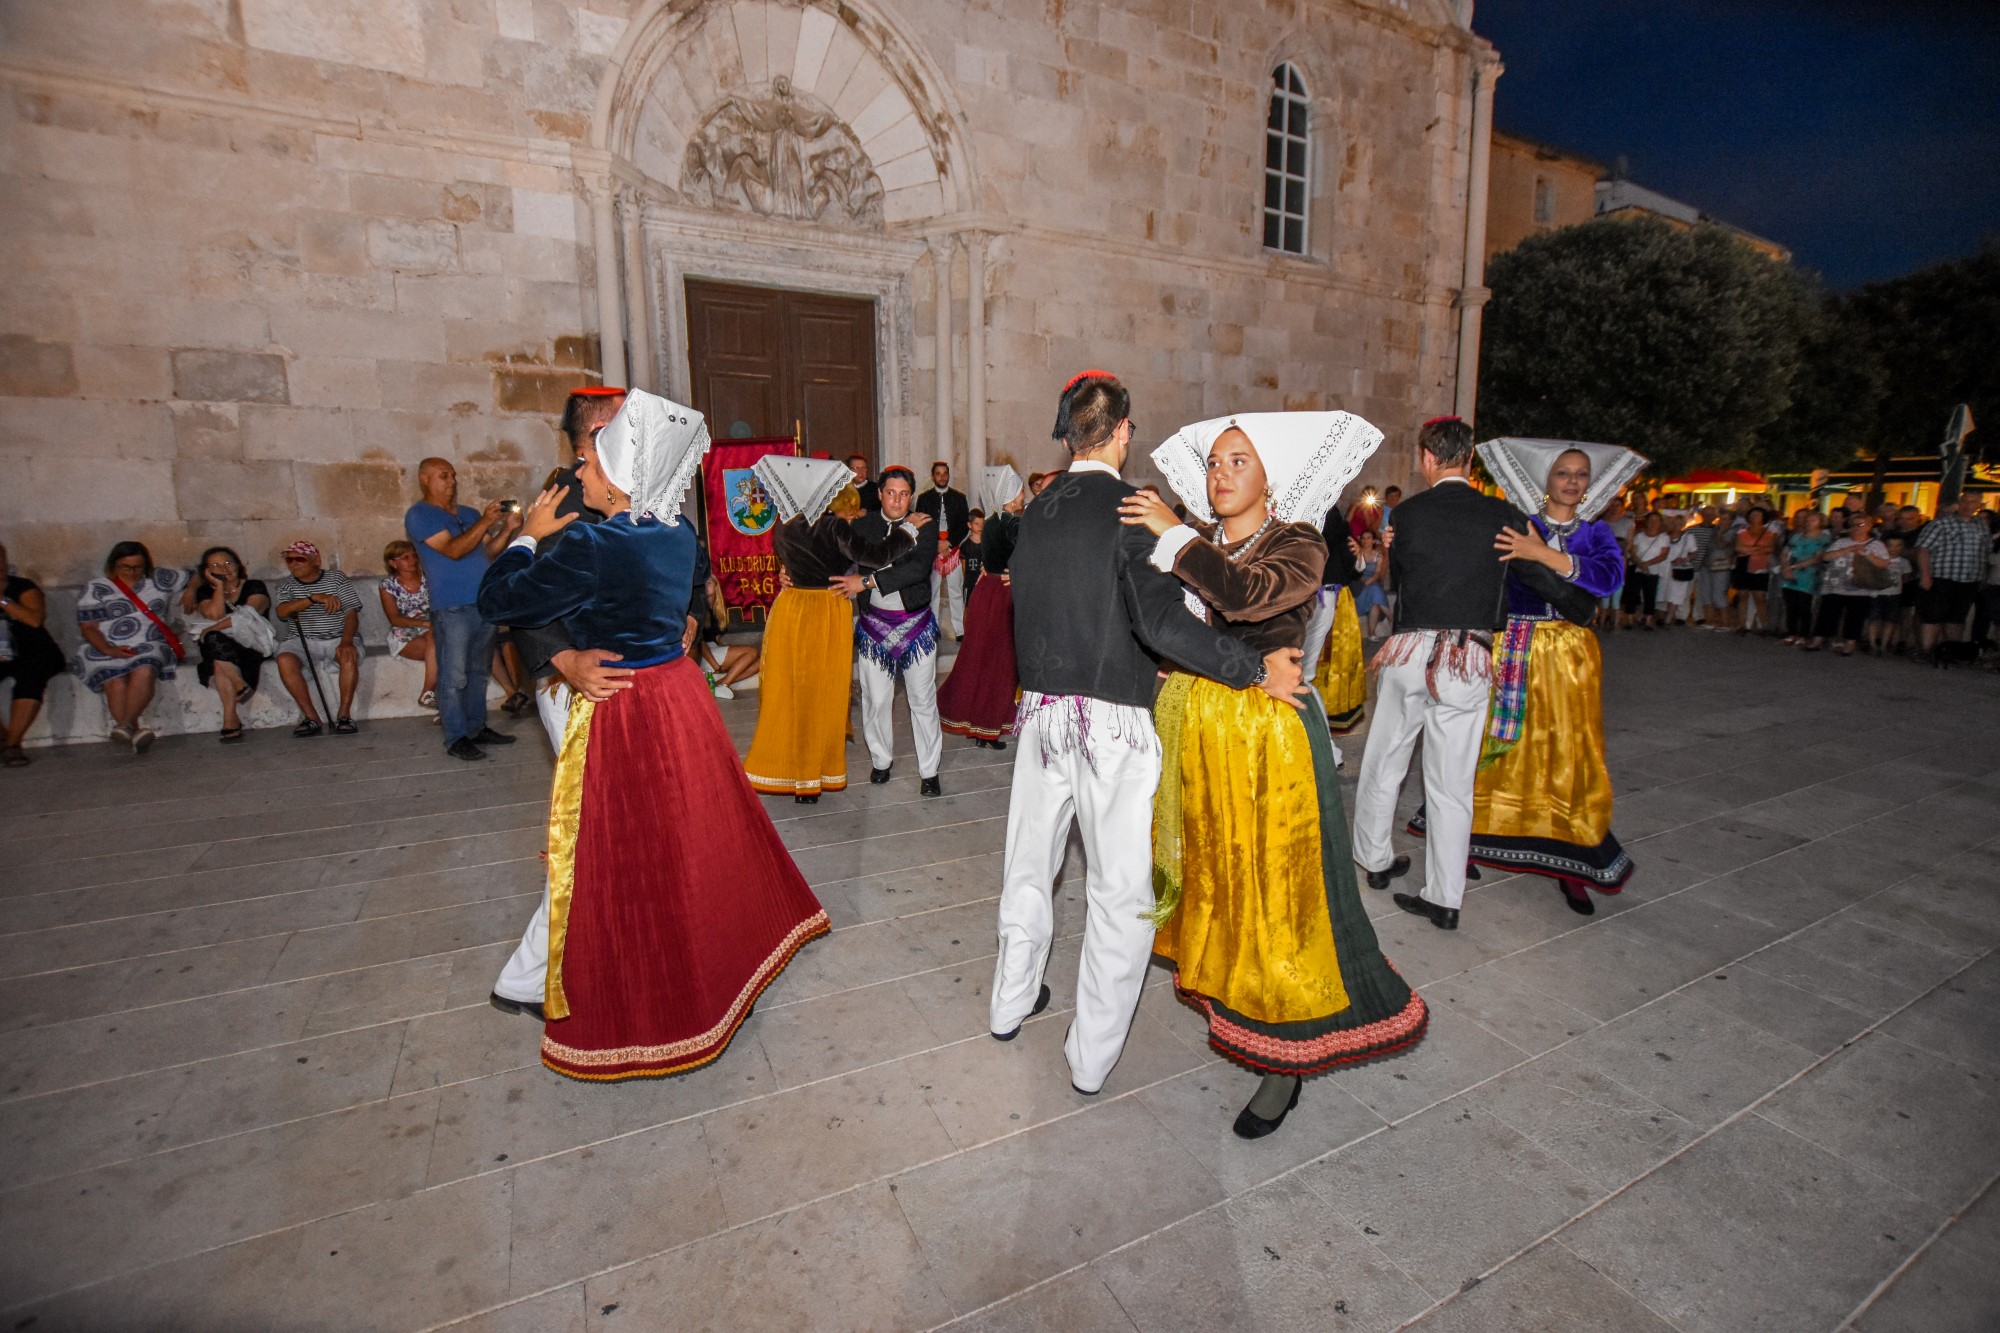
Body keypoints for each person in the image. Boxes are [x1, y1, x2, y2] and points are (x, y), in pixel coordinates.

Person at [475, 389, 829, 1080]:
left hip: (627, 708)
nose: (583, 477)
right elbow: (679, 575)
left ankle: (641, 986)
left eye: (596, 467)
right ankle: (711, 960)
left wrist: (526, 537)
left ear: (614, 474)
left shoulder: (587, 537)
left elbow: (497, 600)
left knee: (618, 855)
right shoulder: (671, 530)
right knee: (690, 835)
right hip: (677, 696)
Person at [989, 371, 1303, 1097]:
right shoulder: (1131, 509)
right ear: (1124, 431)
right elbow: (1158, 623)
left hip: (1039, 713)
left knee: (1030, 865)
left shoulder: (1035, 508)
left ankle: (1010, 1001)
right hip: (1109, 720)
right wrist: (1252, 668)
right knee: (1120, 889)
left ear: (1071, 433)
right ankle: (1090, 1055)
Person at [1123, 410, 1425, 1139]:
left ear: (1271, 478)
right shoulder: (1197, 541)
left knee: (1280, 892)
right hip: (1203, 730)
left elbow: (1248, 596)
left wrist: (1174, 535)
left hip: (1269, 742)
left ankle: (1285, 1060)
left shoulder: (1298, 542)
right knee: (1222, 880)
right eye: (1215, 462)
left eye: (1237, 462)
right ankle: (1241, 1002)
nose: (1219, 474)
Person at [1428, 439, 1640, 915]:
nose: (1571, 480)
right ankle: (1468, 841)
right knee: (1491, 745)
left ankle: (1572, 862)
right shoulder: (1515, 524)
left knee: (1568, 751)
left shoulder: (1596, 534)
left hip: (1568, 655)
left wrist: (1540, 554)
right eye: (1563, 472)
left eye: (1580, 474)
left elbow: (1608, 580)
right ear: (1545, 479)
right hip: (1511, 648)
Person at [1351, 418, 1524, 932]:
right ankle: (1445, 897)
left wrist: (1389, 547)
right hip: (1467, 655)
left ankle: (1376, 862)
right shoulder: (1502, 513)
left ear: (1428, 457)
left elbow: (1397, 580)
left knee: (1385, 761)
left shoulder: (1406, 514)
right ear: (1469, 458)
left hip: (1409, 651)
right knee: (1452, 783)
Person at [744, 455, 917, 801]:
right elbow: (875, 556)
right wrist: (908, 531)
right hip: (826, 609)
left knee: (792, 692)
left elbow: (791, 567)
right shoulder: (832, 527)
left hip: (791, 609)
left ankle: (786, 772)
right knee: (822, 693)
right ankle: (811, 779)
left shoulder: (784, 525)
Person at [837, 467, 945, 797]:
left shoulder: (923, 524)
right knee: (876, 700)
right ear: (880, 493)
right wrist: (793, 571)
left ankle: (929, 771)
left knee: (922, 700)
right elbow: (837, 559)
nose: (897, 500)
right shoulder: (863, 525)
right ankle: (881, 761)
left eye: (903, 494)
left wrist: (868, 580)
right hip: (874, 627)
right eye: (890, 493)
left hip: (915, 625)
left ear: (910, 496)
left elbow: (916, 569)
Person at [405, 457, 521, 760]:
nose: (452, 481)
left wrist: (507, 529)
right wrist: (485, 521)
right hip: (452, 606)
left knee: (479, 672)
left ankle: (476, 727)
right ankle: (456, 737)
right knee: (454, 676)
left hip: (483, 602)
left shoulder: (468, 513)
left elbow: (488, 551)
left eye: (453, 475)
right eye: (444, 476)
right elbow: (453, 551)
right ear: (425, 479)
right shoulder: (420, 515)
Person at [937, 466, 1026, 750]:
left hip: (985, 592)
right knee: (1000, 663)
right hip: (1003, 594)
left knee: (981, 658)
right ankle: (988, 726)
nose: (1023, 496)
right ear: (1011, 497)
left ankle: (980, 726)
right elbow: (1032, 555)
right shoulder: (1013, 523)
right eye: (1021, 490)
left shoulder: (989, 521)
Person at [76, 542, 187, 753]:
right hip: (105, 644)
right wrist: (108, 649)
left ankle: (125, 725)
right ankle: (133, 731)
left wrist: (190, 590)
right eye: (126, 567)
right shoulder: (97, 588)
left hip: (148, 641)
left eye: (138, 567)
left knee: (144, 669)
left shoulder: (159, 580)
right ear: (114, 565)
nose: (133, 572)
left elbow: (197, 573)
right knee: (115, 681)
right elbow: (89, 627)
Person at [271, 541, 362, 737]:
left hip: (337, 636)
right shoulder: (286, 584)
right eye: (290, 560)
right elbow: (282, 611)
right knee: (284, 659)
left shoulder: (336, 578)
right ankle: (311, 717)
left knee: (348, 654)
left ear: (316, 560)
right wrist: (312, 599)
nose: (293, 564)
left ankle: (344, 715)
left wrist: (346, 641)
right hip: (302, 639)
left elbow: (351, 613)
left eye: (300, 559)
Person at [181, 546, 271, 743]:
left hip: (250, 647)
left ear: (238, 565)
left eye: (228, 563)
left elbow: (248, 616)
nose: (224, 568)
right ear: (207, 571)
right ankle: (238, 689)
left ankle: (230, 719)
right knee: (216, 646)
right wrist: (219, 587)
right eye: (216, 565)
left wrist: (212, 629)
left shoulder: (254, 586)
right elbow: (214, 614)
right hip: (221, 648)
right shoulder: (206, 591)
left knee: (214, 646)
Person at [1300, 497, 1363, 736]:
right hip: (1318, 597)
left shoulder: (1328, 519)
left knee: (1310, 668)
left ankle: (1318, 734)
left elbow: (1351, 563)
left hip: (1327, 598)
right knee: (1306, 669)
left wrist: (1359, 557)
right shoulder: (1317, 519)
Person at [0, 540, 66, 766]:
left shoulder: (22, 587)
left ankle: (12, 745)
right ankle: (4, 738)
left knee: (30, 678)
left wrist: (2, 599)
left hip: (34, 650)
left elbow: (34, 620)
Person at [1913, 492, 1988, 666]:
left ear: (1979, 505)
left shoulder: (1981, 525)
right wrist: (1925, 575)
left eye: (1973, 502)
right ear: (1959, 502)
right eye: (1965, 501)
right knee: (1933, 617)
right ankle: (1928, 651)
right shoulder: (1941, 523)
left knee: (1957, 619)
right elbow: (1923, 549)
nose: (1968, 505)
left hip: (1969, 581)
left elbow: (1985, 552)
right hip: (1942, 578)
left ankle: (1954, 653)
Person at [1806, 513, 1890, 655]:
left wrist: (1866, 554)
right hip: (1835, 585)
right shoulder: (1841, 541)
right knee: (1827, 613)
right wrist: (1849, 549)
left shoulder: (1876, 544)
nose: (1857, 528)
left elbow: (1884, 563)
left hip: (1860, 587)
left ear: (1869, 526)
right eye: (1854, 525)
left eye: (1861, 525)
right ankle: (1818, 639)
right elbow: (1826, 556)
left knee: (1855, 616)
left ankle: (1850, 643)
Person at [379, 540, 437, 711]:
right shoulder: (388, 585)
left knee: (438, 644)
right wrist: (426, 623)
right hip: (405, 633)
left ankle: (430, 695)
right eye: (405, 557)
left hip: (432, 630)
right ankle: (430, 694)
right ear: (393, 563)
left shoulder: (429, 577)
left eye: (414, 555)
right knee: (440, 647)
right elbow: (394, 618)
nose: (412, 560)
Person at [917, 461, 971, 639]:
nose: (942, 477)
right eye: (938, 474)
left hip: (952, 548)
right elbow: (920, 525)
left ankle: (960, 630)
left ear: (948, 475)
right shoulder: (924, 498)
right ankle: (932, 629)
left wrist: (949, 543)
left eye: (945, 473)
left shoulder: (959, 497)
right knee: (933, 593)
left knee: (956, 591)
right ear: (933, 476)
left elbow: (964, 525)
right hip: (933, 550)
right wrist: (936, 544)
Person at [1778, 511, 1831, 644]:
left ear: (1820, 522)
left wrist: (1795, 567)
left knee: (1804, 606)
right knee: (1791, 605)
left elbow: (1818, 558)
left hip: (1809, 575)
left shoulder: (1823, 539)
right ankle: (1792, 632)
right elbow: (1785, 552)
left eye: (1813, 520)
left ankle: (1804, 634)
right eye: (1808, 520)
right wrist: (1785, 567)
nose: (1809, 523)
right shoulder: (1796, 537)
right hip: (1790, 574)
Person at [1731, 507, 1778, 633]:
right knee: (1742, 596)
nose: (1754, 517)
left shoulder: (1769, 533)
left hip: (1760, 566)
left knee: (1760, 597)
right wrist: (1757, 549)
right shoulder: (1742, 532)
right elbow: (1739, 548)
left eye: (1757, 515)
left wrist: (1749, 550)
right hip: (1743, 565)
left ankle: (1764, 625)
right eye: (1752, 514)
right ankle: (1742, 625)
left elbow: (1770, 549)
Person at [1867, 535, 1914, 656]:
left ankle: (1883, 645)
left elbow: (1906, 578)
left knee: (1890, 620)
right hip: (1876, 593)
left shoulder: (1904, 562)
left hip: (1894, 594)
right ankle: (1873, 644)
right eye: (1890, 545)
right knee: (1874, 618)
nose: (1894, 548)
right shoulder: (1877, 559)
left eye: (1898, 545)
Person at [1622, 512, 1670, 629]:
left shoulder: (1664, 537)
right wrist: (1640, 563)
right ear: (1646, 522)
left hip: (1652, 570)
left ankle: (1648, 619)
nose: (1653, 523)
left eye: (1656, 520)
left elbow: (1663, 555)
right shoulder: (1639, 536)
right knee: (1633, 594)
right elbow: (1633, 551)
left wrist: (1647, 564)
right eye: (1651, 520)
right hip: (1637, 568)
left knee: (1650, 595)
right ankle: (1630, 618)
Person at [1598, 497, 1634, 630]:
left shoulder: (1627, 522)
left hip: (1620, 559)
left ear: (1622, 506)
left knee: (1618, 589)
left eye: (1617, 505)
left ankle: (1615, 621)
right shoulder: (1602, 522)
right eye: (1612, 505)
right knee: (1605, 589)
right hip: (1604, 560)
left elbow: (1629, 543)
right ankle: (1602, 620)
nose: (1614, 508)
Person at [1353, 529, 1390, 636]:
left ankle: (1372, 634)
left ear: (1373, 541)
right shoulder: (1357, 553)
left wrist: (1370, 580)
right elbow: (1354, 572)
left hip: (1372, 581)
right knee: (1375, 590)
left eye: (1369, 538)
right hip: (1358, 583)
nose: (1365, 541)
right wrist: (1363, 581)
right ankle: (1390, 617)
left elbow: (1378, 573)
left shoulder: (1378, 555)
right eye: (1363, 538)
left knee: (1375, 602)